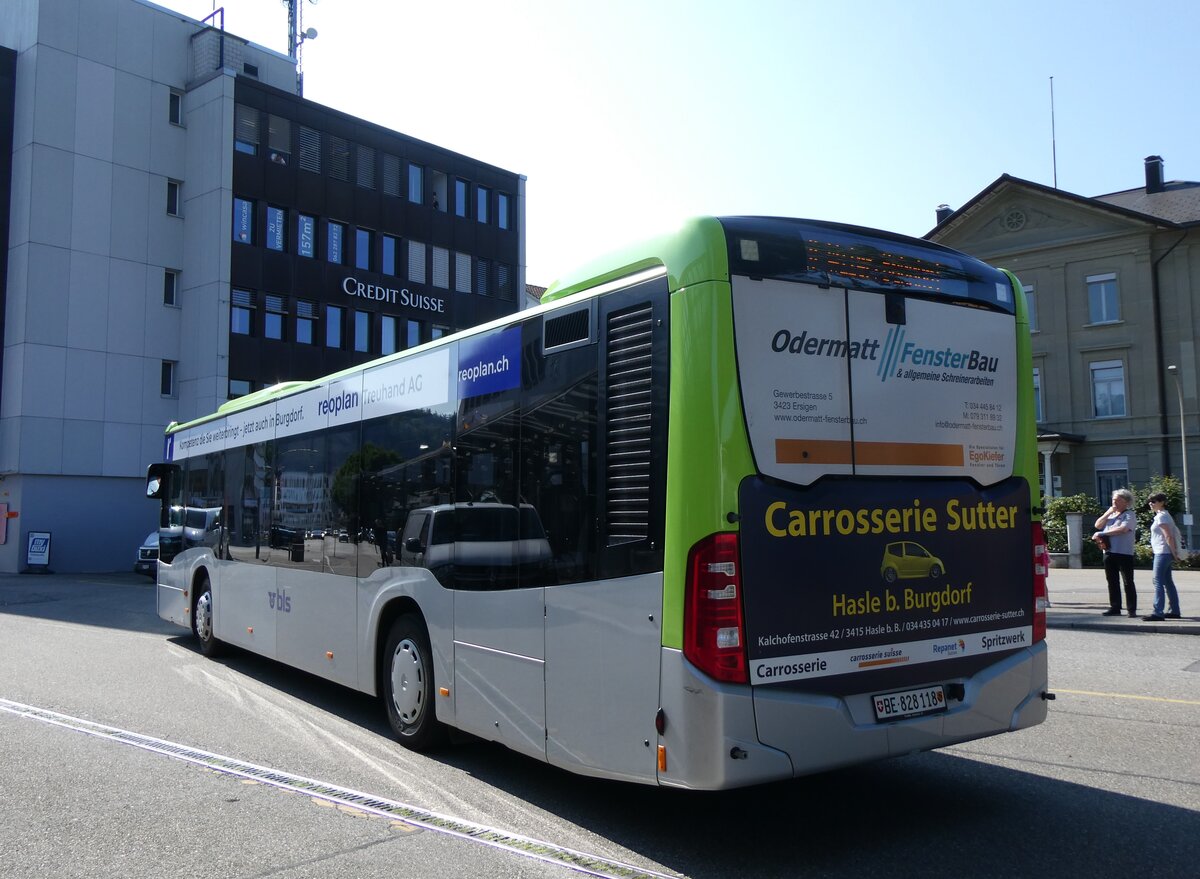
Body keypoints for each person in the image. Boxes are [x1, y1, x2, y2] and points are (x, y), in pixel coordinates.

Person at [1093, 488, 1137, 617]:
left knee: (1128, 581)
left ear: (1126, 502)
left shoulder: (1129, 515)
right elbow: (1098, 525)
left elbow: (1123, 529)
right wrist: (1108, 512)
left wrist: (1103, 533)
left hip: (1124, 552)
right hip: (1109, 552)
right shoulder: (1111, 514)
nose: (1115, 502)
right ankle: (1115, 607)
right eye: (1113, 500)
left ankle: (1131, 609)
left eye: (1118, 500)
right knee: (1112, 581)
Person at [1143, 493, 1183, 621]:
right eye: (1150, 501)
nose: (1151, 504)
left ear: (1162, 502)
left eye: (1153, 501)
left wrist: (1174, 553)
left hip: (1162, 552)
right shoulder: (1164, 515)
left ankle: (1158, 612)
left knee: (1158, 581)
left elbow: (1168, 536)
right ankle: (1174, 610)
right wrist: (1173, 553)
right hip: (1164, 552)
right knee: (1168, 582)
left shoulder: (1161, 517)